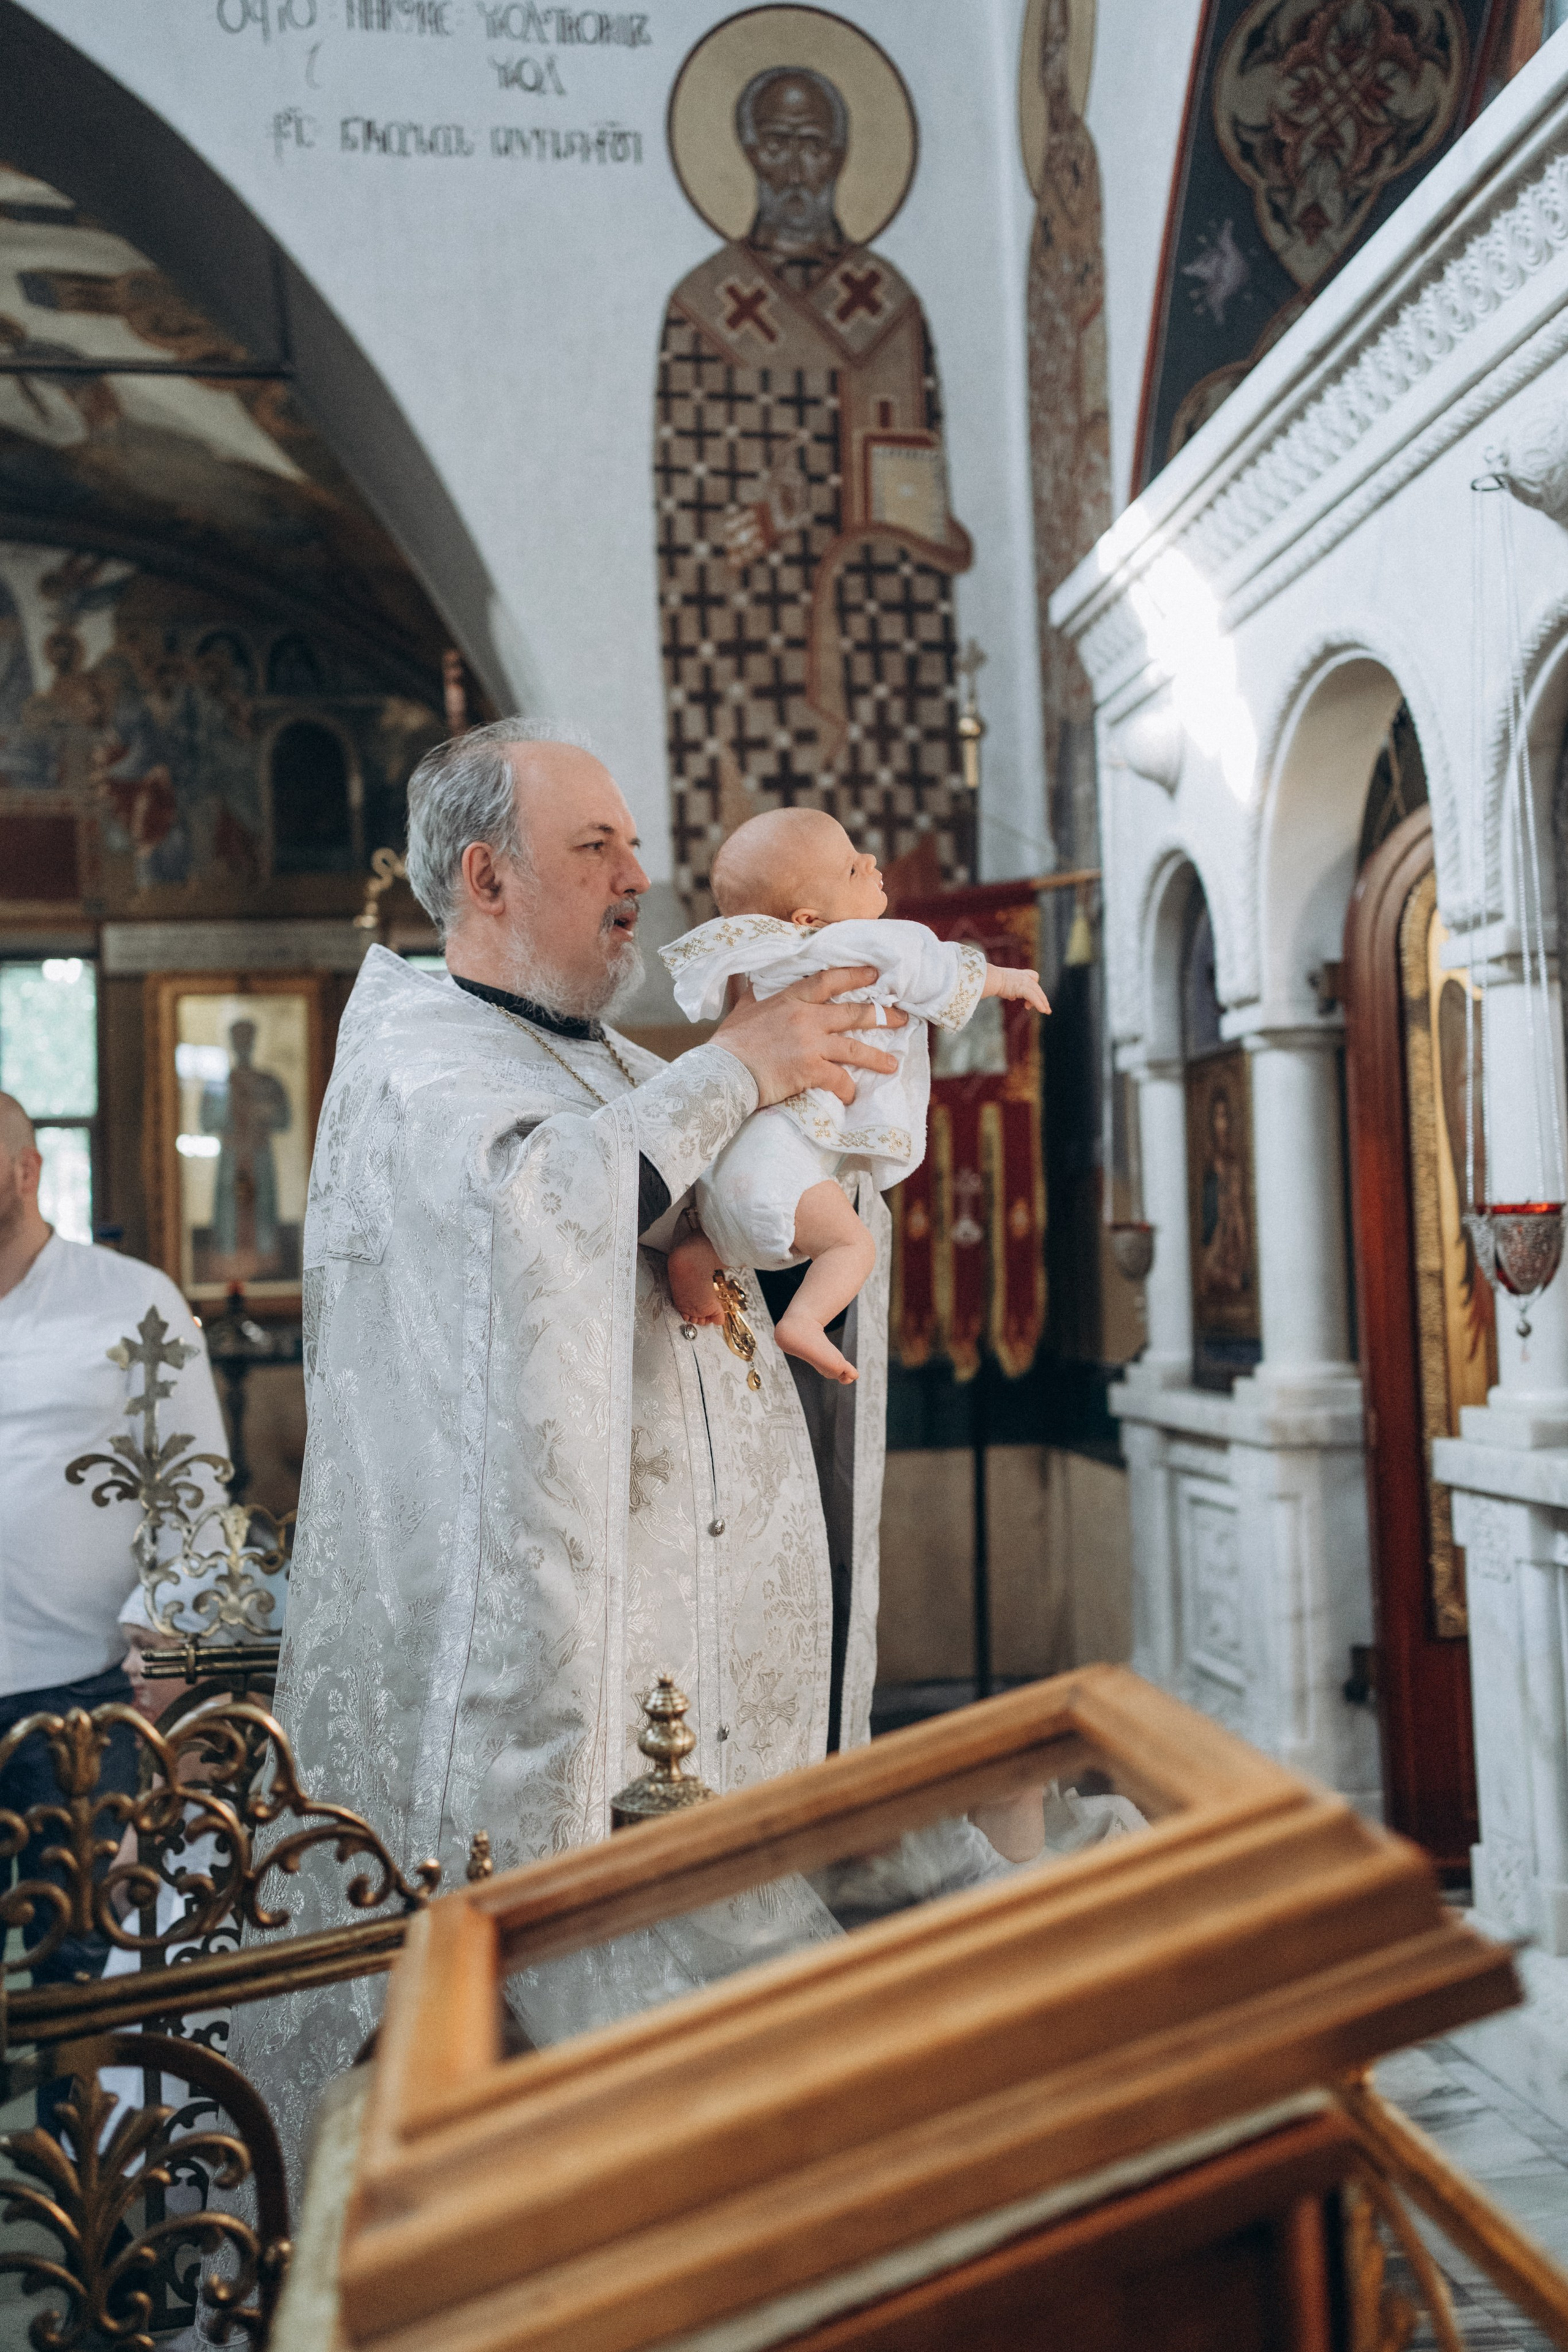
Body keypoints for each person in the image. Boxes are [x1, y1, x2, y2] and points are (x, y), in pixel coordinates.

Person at [238, 718, 913, 2185]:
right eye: (595, 846)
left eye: (633, 844)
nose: (636, 875)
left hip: (696, 1677)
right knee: (556, 2124)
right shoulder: (417, 1058)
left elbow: (695, 1202)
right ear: (485, 876)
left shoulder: (607, 1058)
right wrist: (731, 1072)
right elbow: (533, 1216)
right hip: (548, 1707)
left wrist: (815, 1146)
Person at [657, 62, 975, 910]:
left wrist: (920, 529)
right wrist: (762, 522)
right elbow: (685, 517)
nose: (796, 167)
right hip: (753, 652)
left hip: (884, 643)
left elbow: (919, 471)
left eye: (814, 145)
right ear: (748, 154)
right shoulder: (703, 309)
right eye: (777, 144)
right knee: (771, 857)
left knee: (893, 854)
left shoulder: (890, 305)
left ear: (840, 155)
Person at [662, 808, 1050, 1381]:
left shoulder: (766, 958)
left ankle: (697, 1259)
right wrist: (1009, 979)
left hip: (737, 1161)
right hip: (784, 1159)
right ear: (809, 918)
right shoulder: (858, 943)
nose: (870, 861)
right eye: (850, 869)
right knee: (853, 1247)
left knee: (728, 1237)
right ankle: (805, 1321)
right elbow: (933, 970)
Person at [0, 1093, 228, 2035]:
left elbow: (194, 1486)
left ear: (24, 1171)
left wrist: (162, 1633)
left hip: (82, 1696)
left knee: (82, 1983)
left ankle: (76, 2133)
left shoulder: (131, 1301)